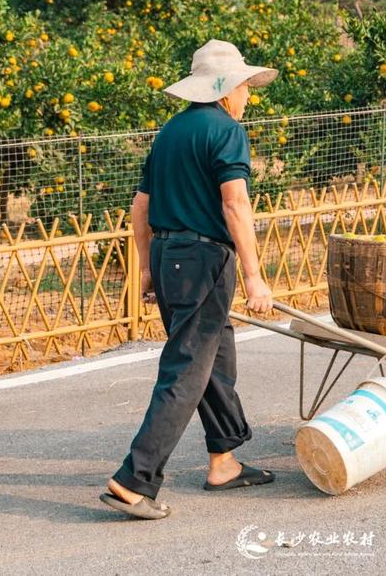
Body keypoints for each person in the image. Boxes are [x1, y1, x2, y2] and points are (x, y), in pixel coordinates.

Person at [100, 39, 278, 519]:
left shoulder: (170, 133)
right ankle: (133, 480)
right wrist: (256, 277)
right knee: (186, 370)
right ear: (223, 90)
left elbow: (141, 209)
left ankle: (223, 461)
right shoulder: (225, 131)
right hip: (203, 261)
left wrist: (144, 268)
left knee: (215, 358)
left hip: (168, 256)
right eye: (244, 86)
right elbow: (235, 204)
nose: (248, 96)